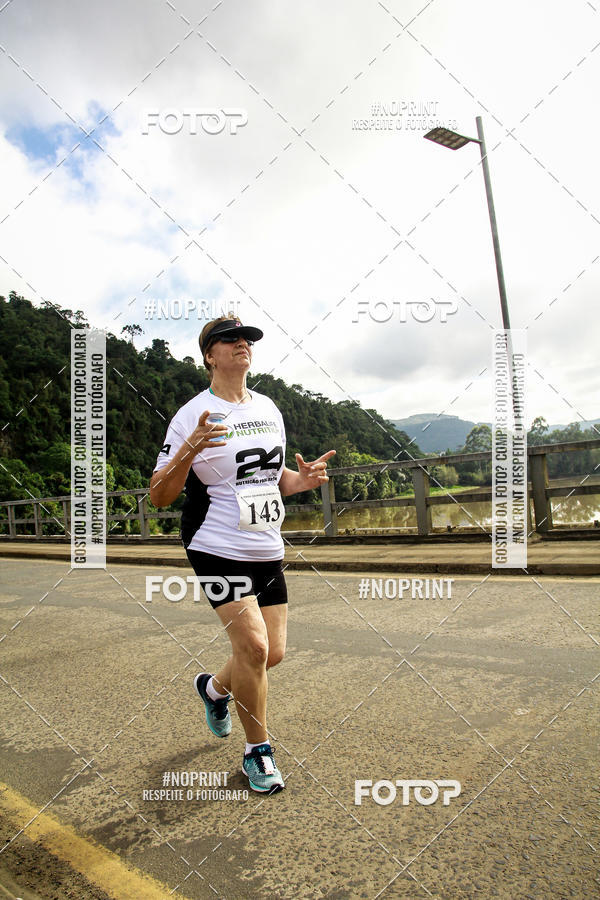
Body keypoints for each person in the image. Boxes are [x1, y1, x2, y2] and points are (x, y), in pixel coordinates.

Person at [150, 314, 335, 793]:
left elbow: (273, 481)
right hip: (214, 544)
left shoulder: (269, 408)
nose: (240, 344)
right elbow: (159, 495)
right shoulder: (192, 414)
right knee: (252, 647)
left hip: (264, 543)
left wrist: (303, 481)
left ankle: (213, 689)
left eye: (246, 339)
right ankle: (259, 753)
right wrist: (188, 449)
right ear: (209, 355)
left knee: (271, 653)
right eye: (228, 339)